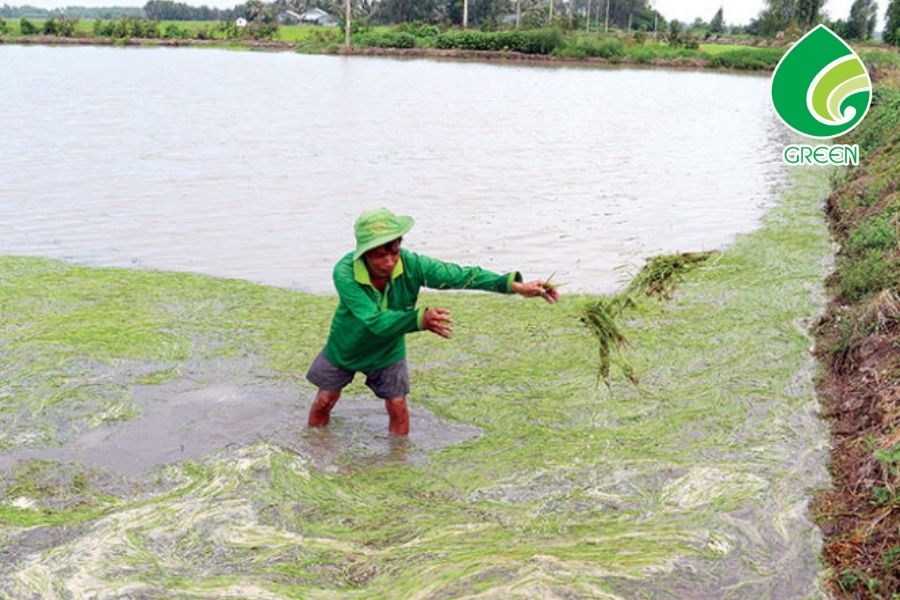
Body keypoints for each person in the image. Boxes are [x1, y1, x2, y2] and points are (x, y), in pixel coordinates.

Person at [306, 208, 559, 436]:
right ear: (364, 254)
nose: (389, 262)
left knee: (397, 406)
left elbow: (460, 276)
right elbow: (374, 320)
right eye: (380, 256)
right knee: (325, 400)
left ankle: (397, 461)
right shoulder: (345, 272)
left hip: (387, 350)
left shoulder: (412, 264)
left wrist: (513, 286)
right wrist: (419, 319)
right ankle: (316, 449)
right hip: (346, 346)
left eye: (394, 252)